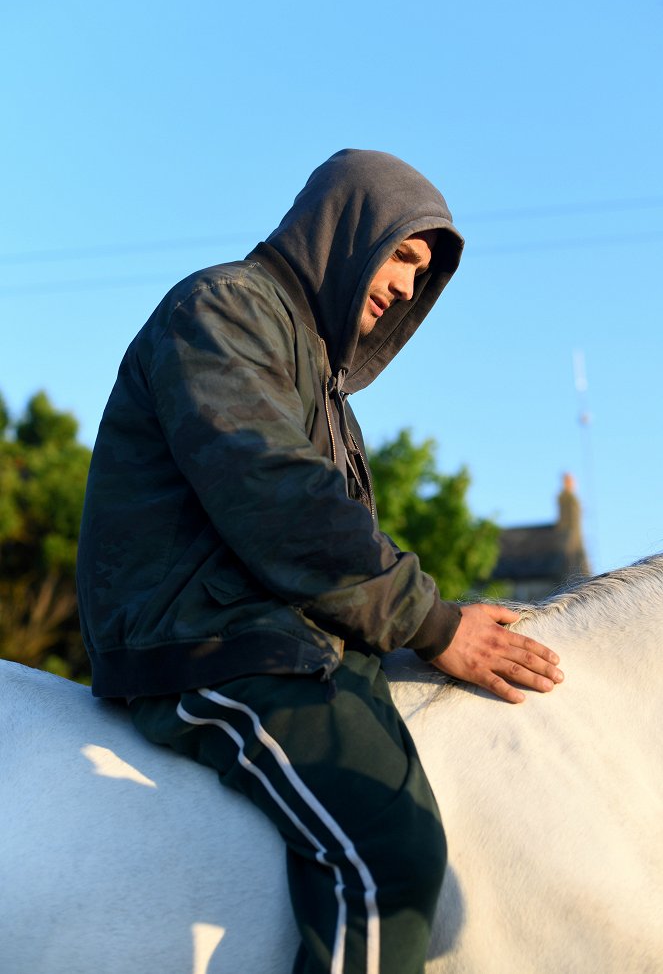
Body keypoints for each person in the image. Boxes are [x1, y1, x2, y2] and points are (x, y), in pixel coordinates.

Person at [76, 149, 564, 974]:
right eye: (403, 254)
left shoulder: (323, 386)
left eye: (424, 272)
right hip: (211, 644)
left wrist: (413, 628)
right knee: (388, 857)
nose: (410, 286)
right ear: (344, 229)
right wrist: (435, 625)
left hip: (281, 641)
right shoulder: (222, 309)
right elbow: (280, 500)